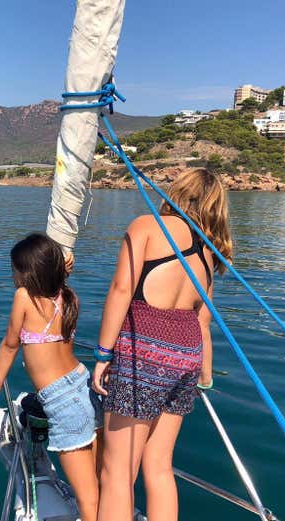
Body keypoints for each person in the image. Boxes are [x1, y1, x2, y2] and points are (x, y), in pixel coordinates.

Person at [91, 169, 233, 521]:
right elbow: (203, 322)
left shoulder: (147, 226)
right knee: (159, 466)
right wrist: (205, 377)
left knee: (118, 473)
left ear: (178, 191)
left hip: (143, 354)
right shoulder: (208, 253)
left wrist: (103, 354)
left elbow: (121, 290)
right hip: (187, 357)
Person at [0, 233, 103, 521]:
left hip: (62, 401)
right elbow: (57, 284)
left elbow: (10, 344)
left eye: (14, 270)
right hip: (84, 386)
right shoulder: (68, 297)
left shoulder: (24, 297)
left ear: (28, 274)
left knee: (88, 498)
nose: (13, 277)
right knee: (100, 483)